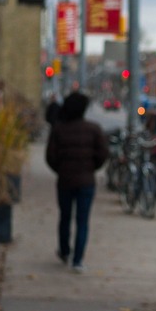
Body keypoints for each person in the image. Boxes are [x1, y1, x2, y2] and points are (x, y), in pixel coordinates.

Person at [44, 91, 109, 272]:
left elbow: (50, 156)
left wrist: (61, 169)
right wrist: (91, 168)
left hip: (65, 180)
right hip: (86, 181)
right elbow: (103, 154)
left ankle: (64, 250)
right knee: (83, 220)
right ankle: (78, 259)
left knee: (65, 217)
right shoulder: (94, 129)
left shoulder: (58, 129)